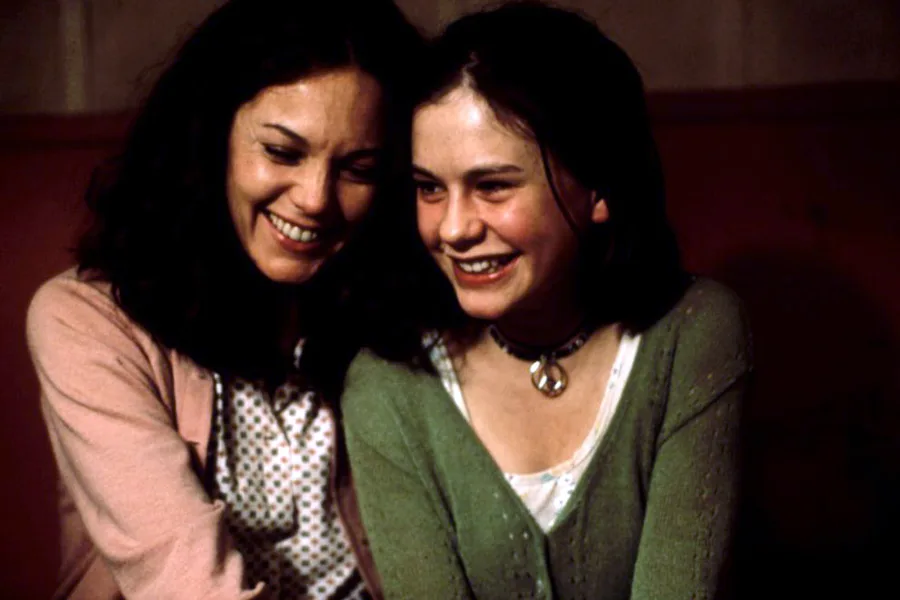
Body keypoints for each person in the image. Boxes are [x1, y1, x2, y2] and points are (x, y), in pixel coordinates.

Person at [341, 2, 752, 598]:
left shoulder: (691, 333)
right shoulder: (389, 383)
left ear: (598, 189)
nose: (452, 228)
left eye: (492, 186)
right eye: (429, 188)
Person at [26, 1, 422, 598]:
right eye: (282, 153)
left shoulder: (394, 308)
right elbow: (182, 578)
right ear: (213, 141)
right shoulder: (85, 319)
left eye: (358, 169)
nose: (316, 199)